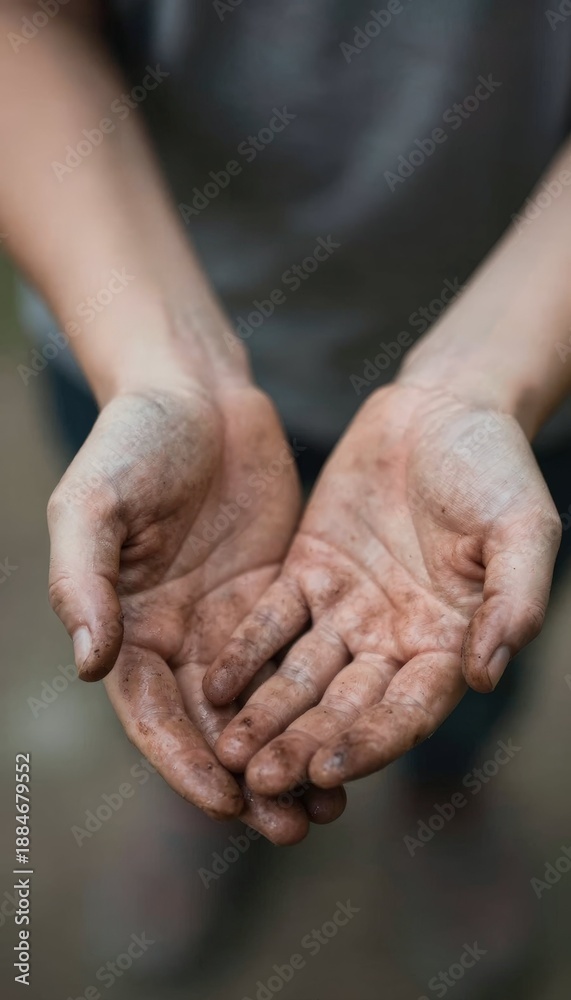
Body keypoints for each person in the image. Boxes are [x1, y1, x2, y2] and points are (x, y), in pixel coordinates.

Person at [3, 0, 571, 987]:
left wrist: (485, 378)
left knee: (470, 649)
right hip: (131, 318)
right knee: (178, 641)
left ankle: (443, 790)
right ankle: (204, 798)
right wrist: (163, 373)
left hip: (535, 356)